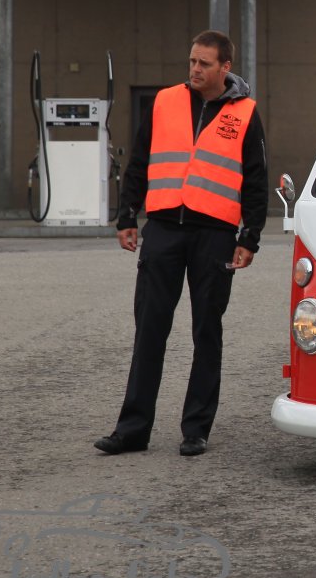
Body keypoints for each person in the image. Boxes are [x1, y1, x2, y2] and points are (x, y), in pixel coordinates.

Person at [96, 30, 267, 457]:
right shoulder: (165, 102)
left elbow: (257, 178)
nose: (195, 69)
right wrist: (126, 215)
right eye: (192, 61)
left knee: (206, 331)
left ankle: (196, 429)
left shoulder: (245, 113)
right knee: (149, 330)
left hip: (215, 235)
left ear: (225, 68)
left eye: (204, 63)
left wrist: (250, 236)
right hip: (164, 229)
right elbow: (139, 162)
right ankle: (132, 430)